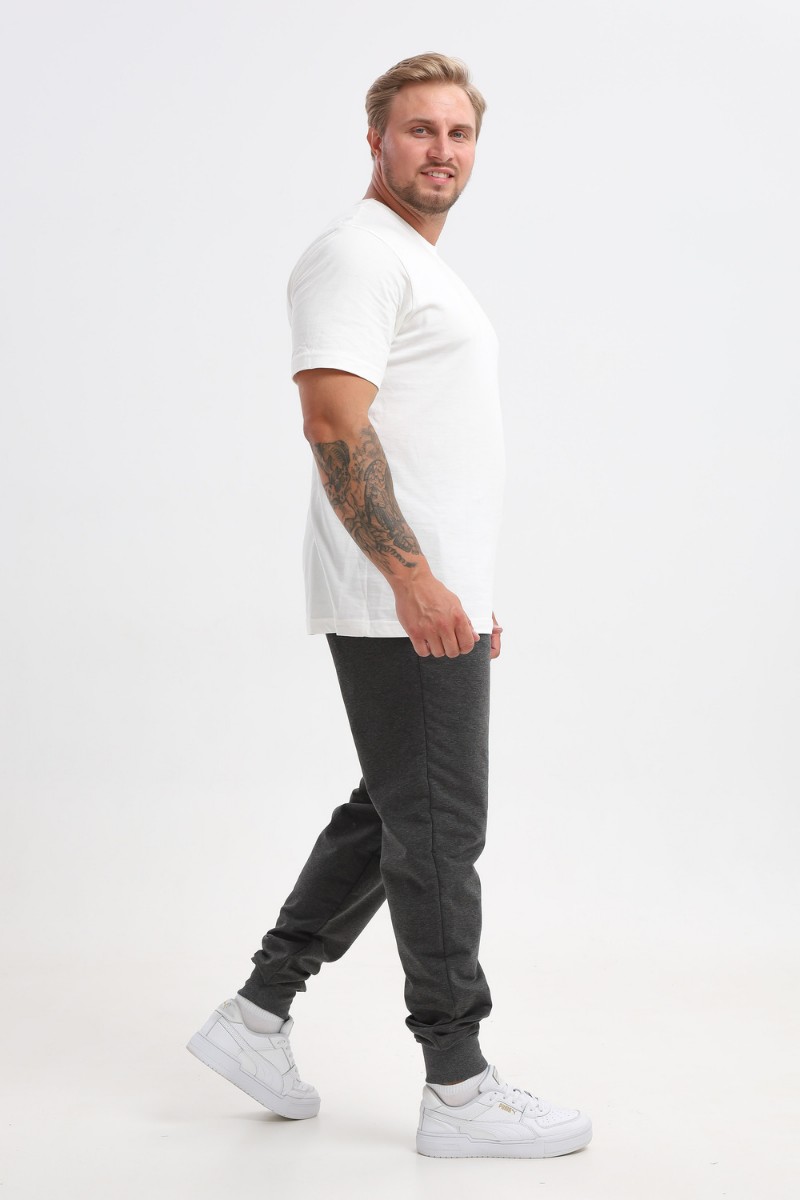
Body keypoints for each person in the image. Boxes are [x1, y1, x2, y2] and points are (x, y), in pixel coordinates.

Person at [187, 51, 592, 1160]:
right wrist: (413, 579)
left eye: (458, 133)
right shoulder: (356, 255)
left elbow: (427, 438)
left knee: (395, 811)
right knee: (439, 830)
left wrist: (463, 585)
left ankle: (255, 1014)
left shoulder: (413, 262)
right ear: (375, 140)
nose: (440, 150)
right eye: (419, 130)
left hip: (429, 592)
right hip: (395, 595)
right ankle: (457, 1085)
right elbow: (333, 423)